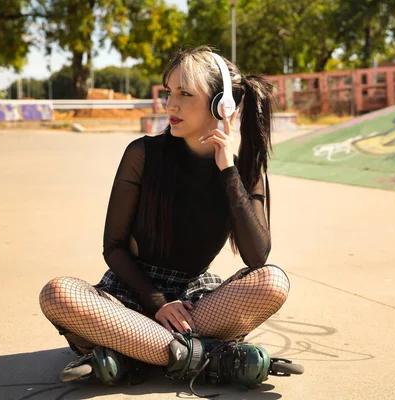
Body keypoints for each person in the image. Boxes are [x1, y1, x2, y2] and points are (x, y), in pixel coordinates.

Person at [38, 45, 292, 394]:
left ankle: (132, 353)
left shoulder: (244, 173)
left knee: (272, 283)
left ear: (222, 104)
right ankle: (210, 357)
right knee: (57, 294)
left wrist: (228, 172)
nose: (170, 105)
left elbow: (256, 257)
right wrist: (157, 303)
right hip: (130, 295)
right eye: (169, 92)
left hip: (195, 303)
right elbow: (113, 246)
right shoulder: (142, 154)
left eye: (185, 94)